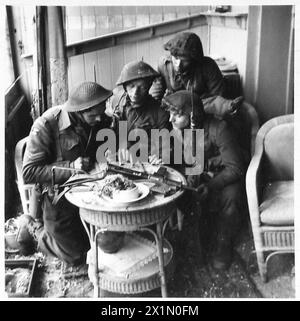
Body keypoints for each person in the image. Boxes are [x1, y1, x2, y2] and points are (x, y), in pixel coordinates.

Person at [17, 81, 124, 273]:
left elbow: (108, 144)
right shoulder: (47, 124)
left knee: (110, 242)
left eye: (102, 111)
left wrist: (115, 148)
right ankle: (34, 230)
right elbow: (29, 172)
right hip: (59, 198)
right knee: (75, 256)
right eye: (94, 114)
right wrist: (71, 168)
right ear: (80, 110)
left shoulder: (98, 119)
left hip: (91, 192)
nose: (100, 118)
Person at [161, 89, 246, 270]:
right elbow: (179, 159)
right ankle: (196, 243)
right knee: (179, 193)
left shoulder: (219, 128)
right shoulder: (178, 130)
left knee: (231, 199)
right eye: (170, 114)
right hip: (198, 174)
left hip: (224, 176)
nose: (170, 120)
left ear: (193, 116)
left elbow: (236, 168)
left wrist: (210, 185)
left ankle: (224, 245)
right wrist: (162, 158)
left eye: (176, 115)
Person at [150, 31, 243, 119]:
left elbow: (218, 95)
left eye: (184, 60)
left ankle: (229, 107)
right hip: (175, 109)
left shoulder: (208, 66)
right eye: (175, 58)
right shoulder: (164, 64)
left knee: (212, 104)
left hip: (201, 107)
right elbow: (156, 94)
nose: (178, 64)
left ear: (194, 59)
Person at [105, 60, 171, 161]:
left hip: (147, 162)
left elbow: (164, 146)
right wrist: (112, 149)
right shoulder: (117, 104)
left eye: (142, 87)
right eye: (132, 86)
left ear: (149, 87)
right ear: (125, 87)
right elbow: (111, 134)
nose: (136, 92)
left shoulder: (159, 112)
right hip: (123, 161)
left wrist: (159, 157)